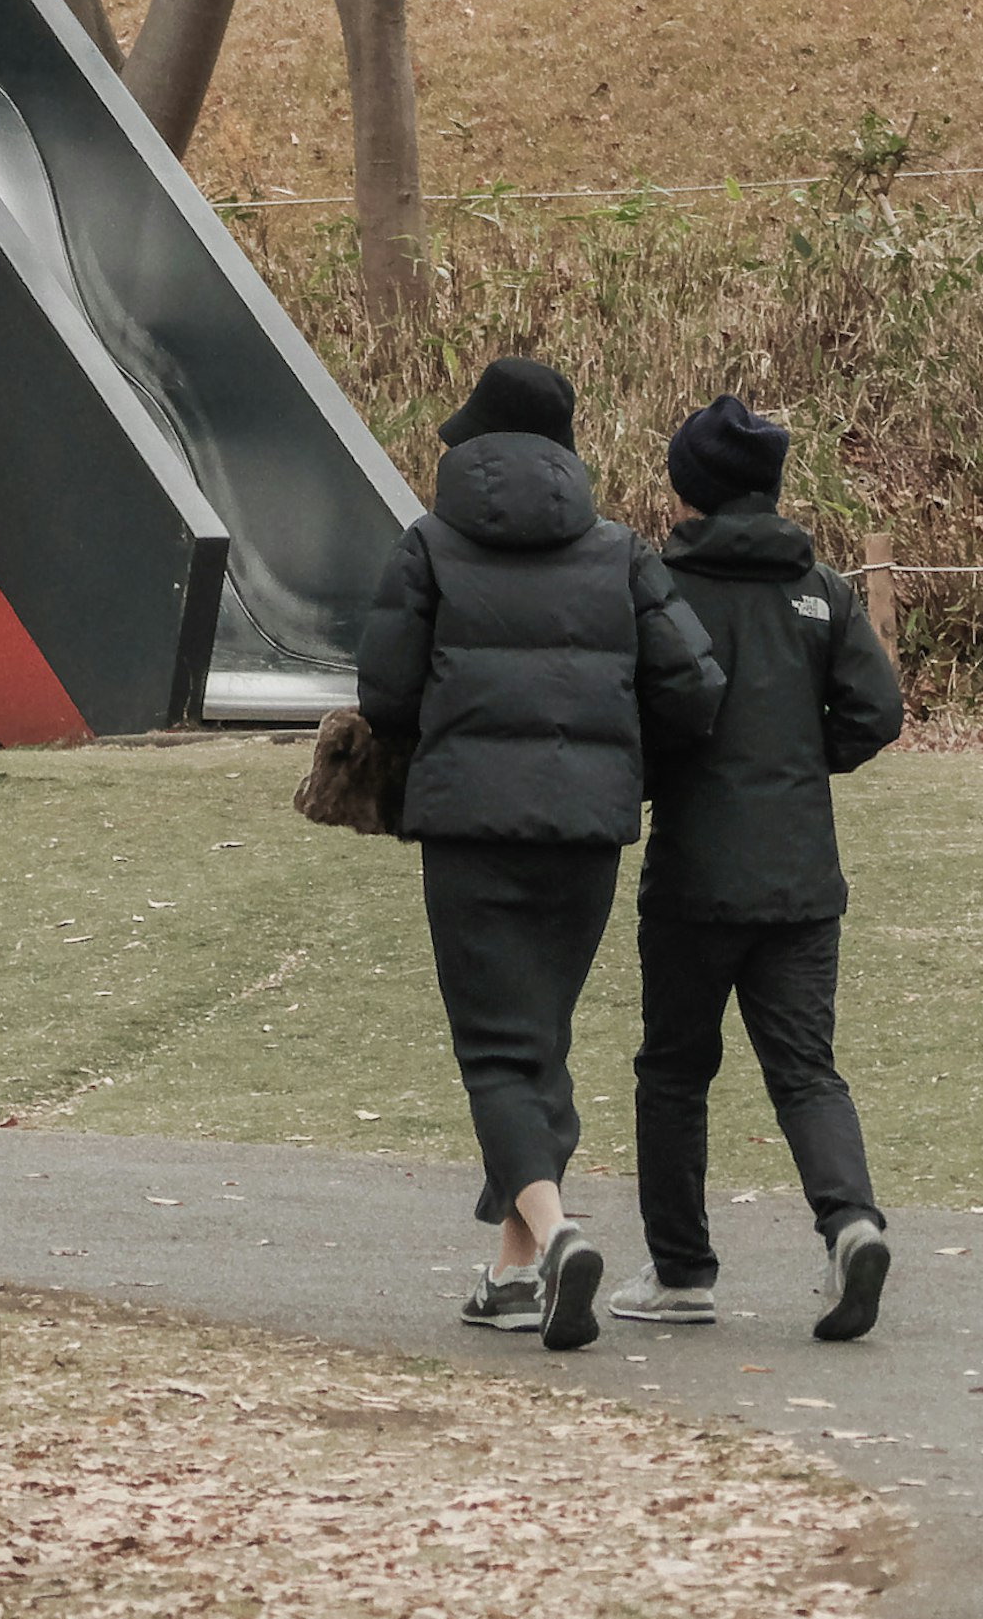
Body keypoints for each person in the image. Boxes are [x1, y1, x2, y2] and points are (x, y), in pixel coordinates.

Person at [356, 350, 723, 1352]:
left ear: (474, 442)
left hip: (470, 828)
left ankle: (558, 1240)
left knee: (495, 1050)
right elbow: (694, 685)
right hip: (587, 832)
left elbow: (384, 693)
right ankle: (515, 1274)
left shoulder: (426, 545)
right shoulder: (619, 550)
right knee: (539, 1040)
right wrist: (619, 759)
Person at [624, 391, 907, 1345]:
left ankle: (683, 1271)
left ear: (690, 486)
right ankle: (851, 1221)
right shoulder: (821, 587)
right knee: (806, 1069)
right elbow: (876, 709)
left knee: (673, 1069)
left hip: (695, 873)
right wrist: (798, 758)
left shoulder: (662, 587)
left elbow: (642, 717)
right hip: (801, 874)